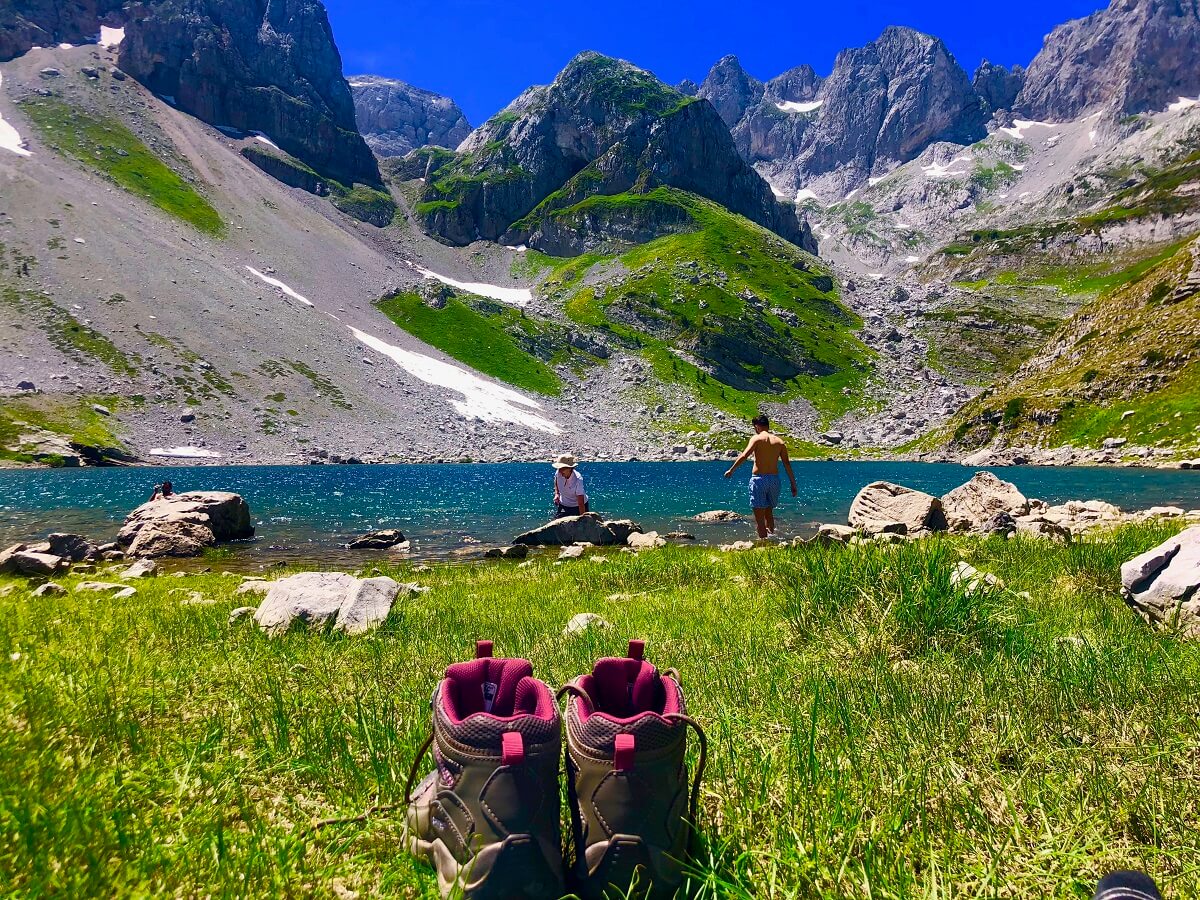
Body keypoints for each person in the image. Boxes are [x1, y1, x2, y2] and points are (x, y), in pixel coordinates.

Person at [723, 415, 797, 539]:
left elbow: (744, 455)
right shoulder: (779, 442)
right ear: (768, 425)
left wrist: (731, 470)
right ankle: (772, 540)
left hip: (759, 479)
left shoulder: (756, 439)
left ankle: (764, 544)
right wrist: (793, 484)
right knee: (769, 513)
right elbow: (787, 464)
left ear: (757, 426)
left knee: (759, 518)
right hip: (774, 480)